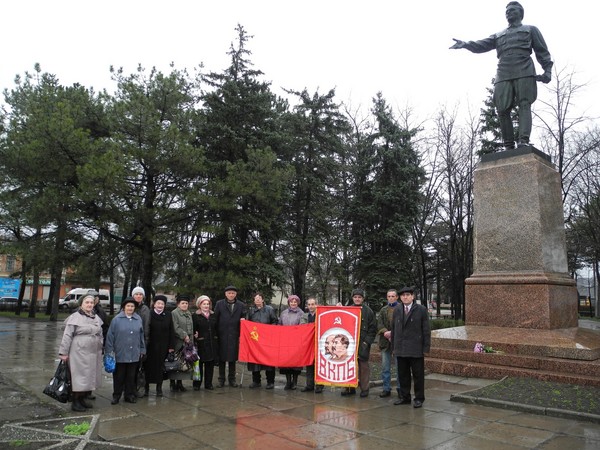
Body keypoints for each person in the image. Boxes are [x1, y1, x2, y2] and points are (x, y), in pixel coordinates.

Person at [450, 1, 553, 150]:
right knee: (502, 108)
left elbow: (542, 51)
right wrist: (466, 44)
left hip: (524, 68)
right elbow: (482, 45)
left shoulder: (531, 29)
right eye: (507, 11)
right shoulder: (498, 35)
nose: (508, 12)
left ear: (520, 13)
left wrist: (547, 70)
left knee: (524, 104)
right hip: (503, 71)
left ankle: (523, 140)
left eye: (512, 10)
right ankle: (508, 145)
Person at [58, 292, 104, 411]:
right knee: (79, 376)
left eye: (91, 303)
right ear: (81, 304)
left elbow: (100, 333)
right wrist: (63, 352)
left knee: (88, 376)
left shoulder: (96, 317)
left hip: (93, 352)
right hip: (78, 352)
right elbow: (67, 335)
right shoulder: (75, 317)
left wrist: (100, 345)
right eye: (87, 302)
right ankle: (75, 401)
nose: (89, 304)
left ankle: (82, 399)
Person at [391, 286, 431, 408]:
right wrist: (394, 347)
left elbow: (426, 330)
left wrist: (426, 348)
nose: (405, 297)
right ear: (400, 297)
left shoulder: (421, 310)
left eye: (408, 295)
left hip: (416, 349)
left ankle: (419, 398)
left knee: (418, 375)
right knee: (403, 375)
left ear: (413, 296)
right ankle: (405, 397)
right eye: (403, 295)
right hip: (401, 348)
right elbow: (394, 329)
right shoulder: (397, 309)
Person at [105, 296, 146, 405]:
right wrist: (109, 351)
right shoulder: (116, 320)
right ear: (124, 307)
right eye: (128, 306)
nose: (130, 308)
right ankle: (116, 395)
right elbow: (110, 336)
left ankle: (129, 395)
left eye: (132, 306)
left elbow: (141, 336)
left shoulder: (138, 319)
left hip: (134, 353)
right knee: (119, 376)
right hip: (120, 353)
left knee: (131, 376)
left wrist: (142, 349)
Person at [341, 288, 377, 398]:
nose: (357, 299)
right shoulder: (348, 310)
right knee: (348, 365)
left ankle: (364, 389)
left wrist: (366, 342)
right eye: (355, 297)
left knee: (363, 366)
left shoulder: (368, 311)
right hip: (349, 343)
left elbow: (372, 329)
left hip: (363, 343)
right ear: (352, 298)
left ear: (363, 298)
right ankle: (349, 387)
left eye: (359, 297)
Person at [214, 285, 247, 388]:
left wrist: (244, 320)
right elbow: (215, 318)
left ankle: (232, 379)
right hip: (222, 335)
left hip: (234, 335)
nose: (231, 295)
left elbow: (244, 317)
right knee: (222, 359)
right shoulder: (219, 304)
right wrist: (215, 334)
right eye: (229, 293)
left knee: (232, 359)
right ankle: (221, 379)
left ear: (235, 294)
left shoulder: (241, 305)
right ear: (225, 294)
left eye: (233, 293)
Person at [143, 294, 175, 397]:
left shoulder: (168, 315)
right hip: (150, 346)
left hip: (163, 346)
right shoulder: (149, 314)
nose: (160, 305)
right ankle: (146, 388)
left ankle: (159, 388)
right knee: (148, 367)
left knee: (160, 368)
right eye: (158, 303)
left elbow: (171, 331)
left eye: (162, 304)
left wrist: (171, 347)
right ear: (154, 304)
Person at [246, 292, 278, 389]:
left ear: (263, 299)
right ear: (254, 300)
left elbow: (275, 321)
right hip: (255, 340)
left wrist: (267, 330)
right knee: (254, 361)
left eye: (259, 298)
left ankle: (270, 381)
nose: (258, 300)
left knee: (269, 361)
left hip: (267, 339)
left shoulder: (269, 309)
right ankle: (256, 381)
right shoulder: (251, 310)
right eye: (256, 298)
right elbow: (247, 323)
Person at [278, 294, 307, 390]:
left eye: (295, 302)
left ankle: (295, 382)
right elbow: (280, 324)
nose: (293, 303)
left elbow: (303, 326)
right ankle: (288, 382)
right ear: (289, 303)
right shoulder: (284, 313)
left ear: (298, 303)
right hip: (285, 341)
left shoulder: (301, 313)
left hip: (296, 341)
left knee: (296, 362)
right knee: (287, 362)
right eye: (291, 302)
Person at [377, 289, 401, 398]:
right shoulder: (383, 310)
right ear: (387, 297)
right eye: (389, 296)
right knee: (385, 367)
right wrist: (385, 332)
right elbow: (379, 323)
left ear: (397, 297)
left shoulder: (401, 308)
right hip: (385, 342)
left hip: (398, 343)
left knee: (400, 368)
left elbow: (402, 324)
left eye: (393, 296)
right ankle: (386, 388)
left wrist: (393, 334)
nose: (391, 298)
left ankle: (400, 389)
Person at [192, 295, 219, 390]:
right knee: (199, 365)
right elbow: (193, 329)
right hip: (200, 343)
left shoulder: (213, 315)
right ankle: (197, 384)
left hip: (211, 343)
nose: (206, 306)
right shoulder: (195, 316)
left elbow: (217, 328)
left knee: (210, 364)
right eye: (204, 304)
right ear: (200, 305)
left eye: (208, 304)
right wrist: (195, 336)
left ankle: (208, 383)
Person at [169, 294, 194, 392]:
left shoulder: (188, 313)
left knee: (183, 364)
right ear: (178, 304)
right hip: (177, 342)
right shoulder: (174, 313)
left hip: (187, 343)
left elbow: (191, 328)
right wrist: (184, 335)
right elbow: (175, 327)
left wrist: (191, 340)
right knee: (175, 363)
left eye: (186, 303)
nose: (184, 305)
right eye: (182, 303)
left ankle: (180, 383)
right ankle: (172, 383)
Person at [132, 286, 150, 397]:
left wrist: (145, 343)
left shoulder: (145, 309)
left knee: (139, 367)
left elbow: (146, 327)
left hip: (141, 342)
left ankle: (137, 388)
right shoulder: (129, 306)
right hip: (129, 342)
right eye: (136, 294)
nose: (138, 296)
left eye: (140, 294)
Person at [301, 297, 322, 393]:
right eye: (309, 304)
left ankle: (319, 385)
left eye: (313, 304)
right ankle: (309, 385)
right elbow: (302, 328)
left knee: (319, 365)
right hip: (308, 344)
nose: (311, 306)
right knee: (309, 364)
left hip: (319, 343)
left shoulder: (321, 315)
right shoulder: (304, 316)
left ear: (316, 305)